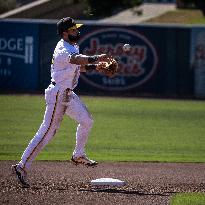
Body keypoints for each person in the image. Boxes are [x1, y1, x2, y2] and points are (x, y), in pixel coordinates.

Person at [12, 17, 111, 188]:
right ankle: (21, 167)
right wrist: (96, 58)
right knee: (47, 132)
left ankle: (78, 155)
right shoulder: (63, 48)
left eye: (76, 29)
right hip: (57, 94)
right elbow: (76, 60)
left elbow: (78, 66)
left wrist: (96, 67)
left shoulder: (72, 46)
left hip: (68, 94)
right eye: (73, 30)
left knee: (87, 121)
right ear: (65, 33)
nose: (76, 31)